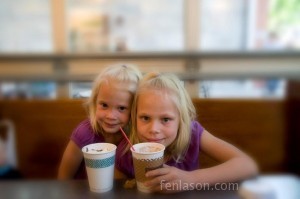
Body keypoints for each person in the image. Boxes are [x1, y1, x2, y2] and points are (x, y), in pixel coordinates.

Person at [116, 72, 258, 193]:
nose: (154, 129)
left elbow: (247, 165)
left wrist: (190, 179)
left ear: (181, 120)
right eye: (145, 118)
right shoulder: (126, 151)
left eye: (166, 119)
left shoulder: (193, 133)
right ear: (134, 118)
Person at [58, 63, 142, 180]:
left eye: (121, 108)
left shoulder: (136, 137)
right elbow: (63, 177)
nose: (111, 116)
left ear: (134, 109)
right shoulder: (85, 133)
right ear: (94, 102)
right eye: (104, 105)